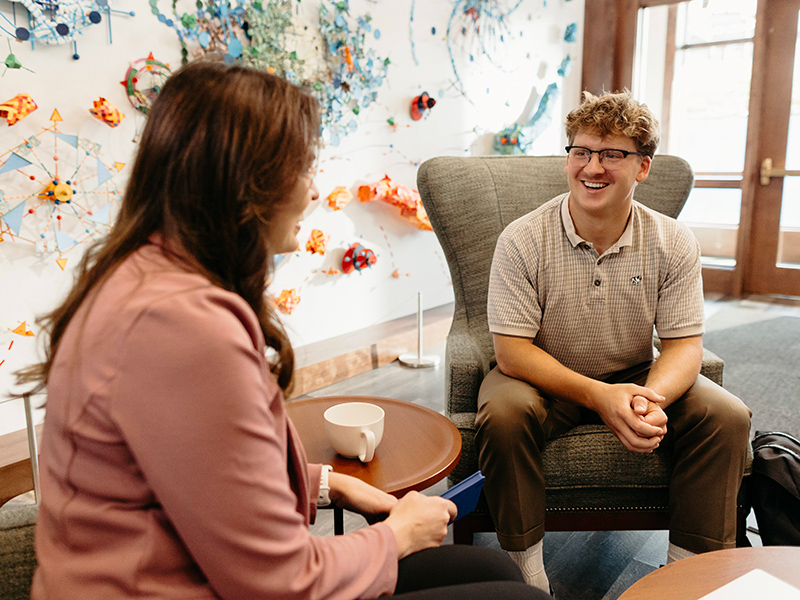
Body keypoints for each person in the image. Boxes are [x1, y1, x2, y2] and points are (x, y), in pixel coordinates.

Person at [16, 60, 551, 600]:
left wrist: (327, 482)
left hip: (189, 566)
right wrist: (397, 536)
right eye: (303, 169)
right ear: (246, 184)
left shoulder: (144, 279)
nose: (312, 191)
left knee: (498, 574)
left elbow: (205, 472)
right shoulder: (180, 328)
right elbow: (278, 582)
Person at [475, 90, 752, 594]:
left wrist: (649, 399)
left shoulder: (673, 240)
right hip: (542, 374)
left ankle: (684, 578)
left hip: (633, 374)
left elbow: (684, 345)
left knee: (728, 417)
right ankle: (527, 578)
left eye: (611, 155)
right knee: (503, 415)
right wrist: (600, 398)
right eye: (580, 151)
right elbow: (511, 352)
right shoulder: (521, 238)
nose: (591, 168)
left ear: (643, 167)